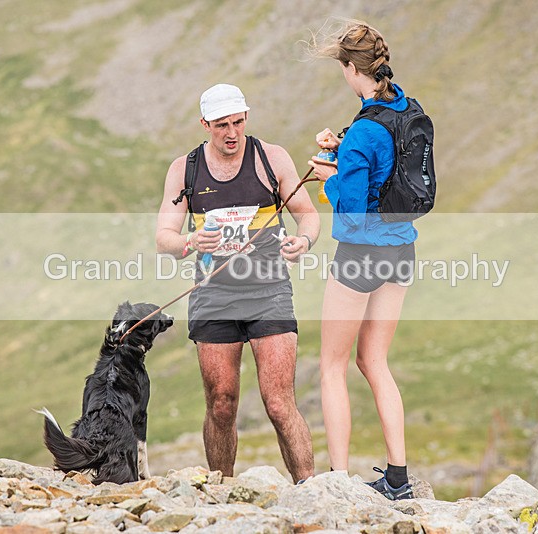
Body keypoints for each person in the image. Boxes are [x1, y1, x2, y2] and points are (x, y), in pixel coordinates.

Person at [156, 83, 319, 483]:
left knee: (278, 403)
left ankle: (310, 489)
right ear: (205, 124)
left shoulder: (271, 158)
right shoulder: (185, 169)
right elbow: (164, 238)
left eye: (238, 123)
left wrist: (304, 241)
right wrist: (191, 242)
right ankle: (221, 491)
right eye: (222, 125)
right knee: (222, 404)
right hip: (213, 295)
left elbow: (308, 214)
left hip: (269, 290)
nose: (232, 133)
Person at [307, 21, 419, 499]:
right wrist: (343, 151)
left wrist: (328, 177)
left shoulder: (362, 133)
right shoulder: (407, 108)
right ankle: (398, 478)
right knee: (375, 360)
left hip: (361, 254)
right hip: (402, 250)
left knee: (332, 365)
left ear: (353, 69)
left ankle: (338, 480)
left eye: (343, 69)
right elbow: (385, 163)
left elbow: (351, 211)